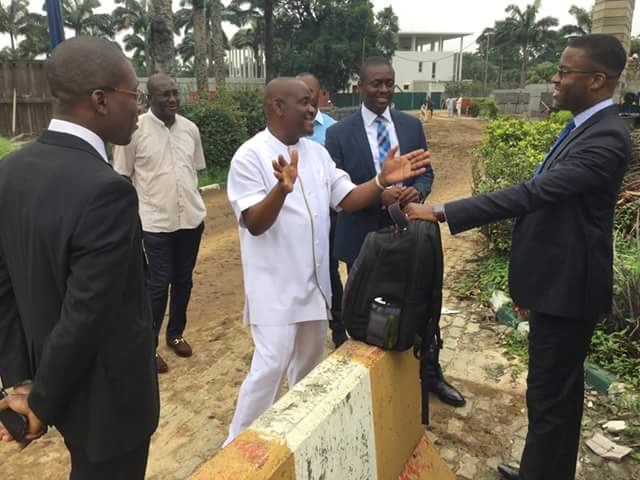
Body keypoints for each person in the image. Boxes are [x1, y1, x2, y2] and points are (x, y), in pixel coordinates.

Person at [404, 34, 630, 480]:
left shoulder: (606, 137)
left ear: (597, 80)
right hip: (557, 285)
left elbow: (534, 193)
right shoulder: (585, 126)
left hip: (569, 291)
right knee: (554, 396)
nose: (556, 79)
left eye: (565, 72)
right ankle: (541, 470)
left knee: (551, 398)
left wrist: (443, 210)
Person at [224, 77, 430, 446]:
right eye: (304, 102)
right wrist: (281, 190)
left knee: (307, 370)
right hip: (274, 290)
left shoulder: (317, 154)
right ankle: (238, 447)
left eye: (313, 101)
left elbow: (347, 199)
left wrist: (381, 180)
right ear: (278, 107)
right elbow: (254, 222)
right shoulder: (250, 156)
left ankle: (296, 439)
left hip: (315, 288)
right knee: (270, 367)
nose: (313, 109)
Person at [0, 37, 159, 479]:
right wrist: (39, 402)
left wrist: (22, 381)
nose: (139, 109)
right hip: (107, 402)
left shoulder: (9, 173)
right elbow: (87, 313)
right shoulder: (107, 190)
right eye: (134, 95)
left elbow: (4, 286)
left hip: (49, 377)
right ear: (101, 100)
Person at [325, 56, 465, 409]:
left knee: (422, 302)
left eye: (389, 83)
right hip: (363, 238)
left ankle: (429, 372)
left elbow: (426, 172)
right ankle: (377, 380)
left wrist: (417, 192)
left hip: (411, 231)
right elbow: (337, 190)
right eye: (376, 83)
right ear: (360, 86)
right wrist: (379, 194)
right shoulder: (338, 134)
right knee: (370, 309)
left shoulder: (410, 125)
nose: (384, 89)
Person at [114, 74, 207, 374]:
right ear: (149, 97)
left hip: (190, 219)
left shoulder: (190, 129)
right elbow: (123, 176)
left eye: (175, 93)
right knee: (157, 285)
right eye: (165, 94)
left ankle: (175, 334)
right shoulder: (135, 131)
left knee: (184, 280)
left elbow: (194, 170)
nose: (172, 99)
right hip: (154, 223)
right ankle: (148, 346)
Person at [296, 72, 347, 348]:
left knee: (328, 269)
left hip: (329, 213)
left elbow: (340, 178)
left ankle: (338, 327)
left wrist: (379, 185)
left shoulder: (333, 130)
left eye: (311, 93)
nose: (307, 100)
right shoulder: (283, 133)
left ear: (320, 95)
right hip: (297, 218)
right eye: (300, 93)